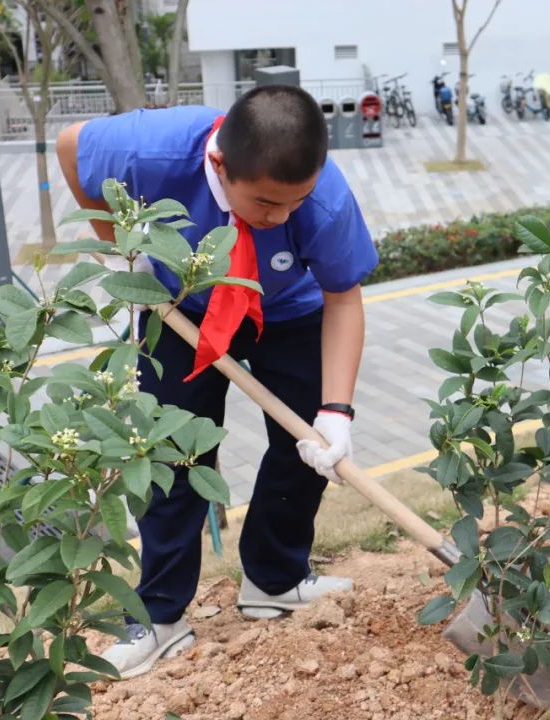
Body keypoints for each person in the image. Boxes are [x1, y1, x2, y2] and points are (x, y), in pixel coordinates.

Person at [55, 85, 378, 679]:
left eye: (294, 203)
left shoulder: (323, 198)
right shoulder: (147, 152)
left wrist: (336, 410)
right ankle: (158, 617)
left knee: (303, 450)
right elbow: (70, 147)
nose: (281, 218)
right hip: (182, 306)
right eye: (265, 204)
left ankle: (274, 581)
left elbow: (343, 295)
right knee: (170, 457)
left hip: (290, 310)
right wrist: (127, 255)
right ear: (221, 166)